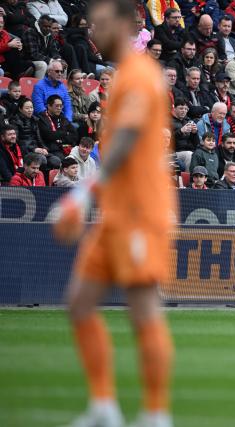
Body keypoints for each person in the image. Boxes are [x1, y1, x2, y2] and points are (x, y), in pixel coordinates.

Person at [51, 3, 177, 426]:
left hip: (141, 212)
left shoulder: (140, 74)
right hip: (117, 212)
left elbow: (124, 140)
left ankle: (156, 414)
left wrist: (82, 195)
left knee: (142, 309)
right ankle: (104, 407)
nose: (93, 32)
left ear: (126, 25)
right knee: (80, 304)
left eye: (101, 25)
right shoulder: (125, 74)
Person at [38, 94, 78, 168]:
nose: (59, 108)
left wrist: (61, 138)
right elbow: (49, 135)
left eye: (61, 106)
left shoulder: (63, 118)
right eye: (57, 106)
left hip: (67, 147)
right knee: (68, 164)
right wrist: (66, 133)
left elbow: (75, 135)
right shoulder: (42, 119)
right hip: (53, 150)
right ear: (49, 106)